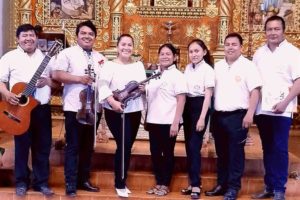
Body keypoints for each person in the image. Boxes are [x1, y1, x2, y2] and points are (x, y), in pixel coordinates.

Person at [0, 24, 58, 196]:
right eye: (24, 36)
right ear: (18, 39)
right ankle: (21, 182)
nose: (28, 38)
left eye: (31, 35)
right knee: (22, 147)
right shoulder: (9, 57)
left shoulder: (48, 58)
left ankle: (41, 182)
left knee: (43, 147)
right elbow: (0, 81)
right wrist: (6, 93)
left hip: (41, 109)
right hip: (18, 108)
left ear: (36, 37)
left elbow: (57, 83)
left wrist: (48, 82)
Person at [52, 20, 107, 197]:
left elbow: (106, 81)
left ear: (95, 37)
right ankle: (70, 183)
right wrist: (79, 79)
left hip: (94, 108)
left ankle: (83, 180)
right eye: (83, 33)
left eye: (90, 34)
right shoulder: (67, 53)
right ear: (77, 36)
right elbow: (57, 74)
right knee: (73, 146)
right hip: (75, 107)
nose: (87, 36)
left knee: (87, 147)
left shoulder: (101, 58)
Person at [204, 33, 262, 200]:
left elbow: (255, 91)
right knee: (221, 154)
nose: (230, 47)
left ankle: (233, 187)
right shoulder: (218, 66)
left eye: (234, 44)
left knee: (236, 154)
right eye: (227, 44)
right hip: (219, 116)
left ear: (241, 47)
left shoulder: (248, 66)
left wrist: (250, 114)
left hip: (238, 116)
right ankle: (222, 184)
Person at [251, 16, 300, 200]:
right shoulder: (259, 53)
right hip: (262, 109)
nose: (272, 33)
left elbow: (299, 81)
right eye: (269, 29)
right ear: (265, 31)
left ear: (283, 30)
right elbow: (254, 82)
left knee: (279, 148)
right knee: (268, 148)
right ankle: (269, 186)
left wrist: (285, 103)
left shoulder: (293, 52)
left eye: (276, 29)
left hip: (282, 110)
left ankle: (280, 189)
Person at [98, 34, 146, 198]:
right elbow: (102, 85)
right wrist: (113, 102)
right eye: (123, 44)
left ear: (133, 47)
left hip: (134, 110)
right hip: (115, 110)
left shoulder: (138, 65)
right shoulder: (109, 65)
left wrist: (143, 88)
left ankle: (122, 179)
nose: (126, 48)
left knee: (128, 145)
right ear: (118, 47)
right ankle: (119, 182)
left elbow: (142, 86)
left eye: (129, 45)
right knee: (123, 144)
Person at [145, 43, 187, 196]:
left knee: (167, 153)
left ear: (175, 57)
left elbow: (181, 100)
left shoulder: (178, 76)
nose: (164, 56)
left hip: (169, 121)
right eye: (162, 54)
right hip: (153, 120)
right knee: (155, 153)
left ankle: (165, 184)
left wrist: (176, 122)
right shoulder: (155, 74)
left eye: (168, 54)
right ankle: (158, 182)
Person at [180, 39, 214, 199]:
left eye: (197, 51)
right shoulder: (188, 68)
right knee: (189, 147)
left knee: (194, 147)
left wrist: (202, 118)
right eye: (191, 51)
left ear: (204, 52)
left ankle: (196, 185)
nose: (193, 54)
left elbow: (208, 96)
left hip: (200, 106)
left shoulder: (208, 70)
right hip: (188, 106)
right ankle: (192, 182)